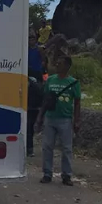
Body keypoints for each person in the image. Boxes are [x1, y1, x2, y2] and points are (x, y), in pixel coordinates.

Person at [36, 56, 81, 186]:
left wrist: (77, 120)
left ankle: (66, 175)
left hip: (65, 119)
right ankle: (47, 173)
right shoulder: (50, 80)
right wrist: (40, 118)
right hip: (50, 118)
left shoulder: (73, 83)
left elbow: (77, 103)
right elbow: (45, 101)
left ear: (67, 66)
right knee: (47, 147)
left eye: (60, 63)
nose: (57, 64)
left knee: (66, 148)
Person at [26, 26, 45, 157]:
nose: (30, 40)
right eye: (28, 38)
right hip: (25, 76)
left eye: (32, 37)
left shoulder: (40, 50)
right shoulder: (22, 49)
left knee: (33, 115)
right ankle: (28, 146)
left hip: (36, 78)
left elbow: (45, 62)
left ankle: (30, 146)